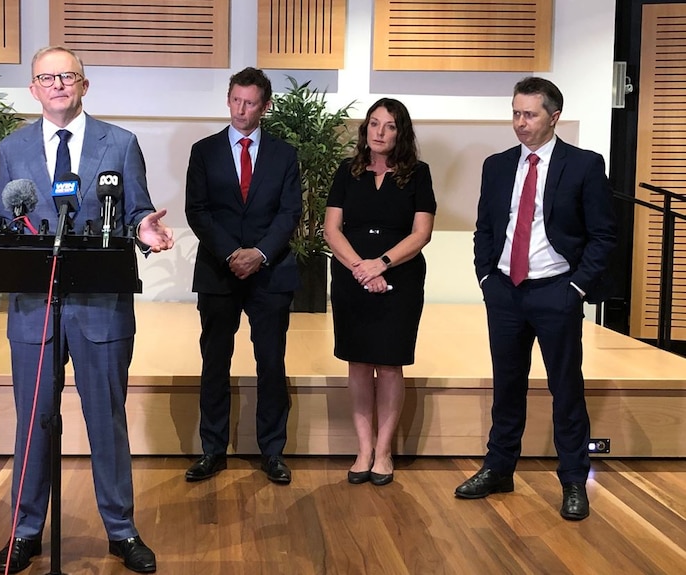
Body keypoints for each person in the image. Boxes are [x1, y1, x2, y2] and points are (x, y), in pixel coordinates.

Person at [0, 46, 173, 574]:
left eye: (68, 76)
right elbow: (4, 217)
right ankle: (25, 530)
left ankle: (121, 530)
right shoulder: (12, 146)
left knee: (106, 420)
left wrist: (146, 232)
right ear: (34, 90)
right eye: (47, 77)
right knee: (33, 420)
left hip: (101, 306)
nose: (58, 84)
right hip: (34, 306)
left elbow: (136, 212)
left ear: (85, 85)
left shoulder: (121, 143)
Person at [454, 77, 616, 521]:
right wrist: (486, 277)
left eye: (529, 114)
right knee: (507, 386)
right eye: (515, 113)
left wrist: (576, 288)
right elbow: (486, 227)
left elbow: (603, 235)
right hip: (505, 291)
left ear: (554, 116)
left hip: (556, 291)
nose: (520, 123)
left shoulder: (583, 164)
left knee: (566, 389)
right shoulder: (497, 165)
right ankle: (499, 467)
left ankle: (573, 481)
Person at [183, 67, 302, 485]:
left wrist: (261, 253)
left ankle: (272, 451)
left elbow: (290, 213)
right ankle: (212, 450)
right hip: (219, 270)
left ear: (264, 107)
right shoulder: (204, 150)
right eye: (235, 100)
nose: (241, 109)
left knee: (271, 362)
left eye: (250, 102)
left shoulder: (285, 154)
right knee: (215, 361)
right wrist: (233, 253)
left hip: (270, 272)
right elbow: (196, 211)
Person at [323, 98, 436, 486]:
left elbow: (421, 233)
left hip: (399, 277)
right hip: (352, 276)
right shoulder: (346, 171)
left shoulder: (418, 174)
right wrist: (360, 268)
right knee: (358, 362)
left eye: (389, 126)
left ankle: (385, 452)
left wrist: (381, 264)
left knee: (389, 365)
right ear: (365, 129)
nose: (379, 132)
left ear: (400, 132)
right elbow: (331, 229)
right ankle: (364, 450)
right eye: (374, 124)